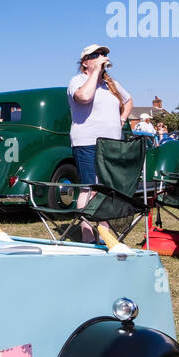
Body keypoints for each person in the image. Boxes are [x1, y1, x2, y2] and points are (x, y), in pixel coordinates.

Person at [68, 44, 133, 240]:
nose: (102, 57)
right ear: (85, 62)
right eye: (96, 55)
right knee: (89, 188)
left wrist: (121, 119)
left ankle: (104, 233)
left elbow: (128, 100)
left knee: (106, 189)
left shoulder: (110, 83)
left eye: (104, 54)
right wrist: (95, 72)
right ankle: (87, 234)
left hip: (111, 144)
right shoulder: (77, 81)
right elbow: (84, 97)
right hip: (87, 141)